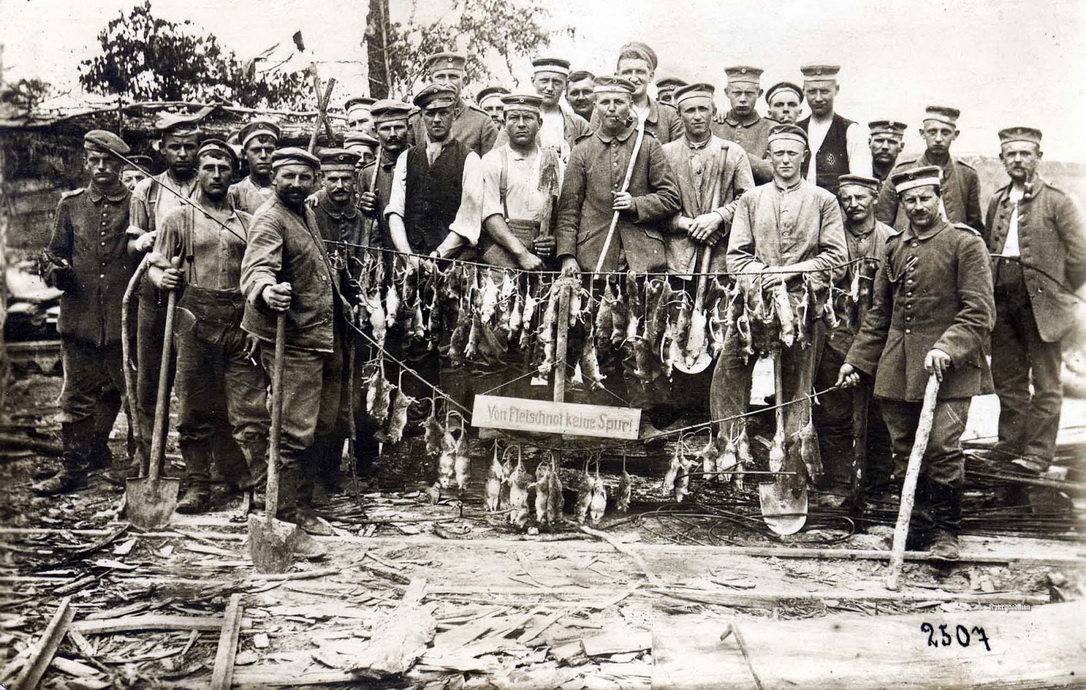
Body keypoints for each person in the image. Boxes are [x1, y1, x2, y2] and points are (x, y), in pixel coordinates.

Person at [839, 166, 995, 560]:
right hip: (898, 368)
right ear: (902, 203)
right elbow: (880, 314)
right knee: (905, 450)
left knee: (942, 448)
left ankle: (945, 533)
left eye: (926, 197)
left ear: (939, 198)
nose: (918, 206)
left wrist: (947, 348)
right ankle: (917, 526)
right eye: (910, 200)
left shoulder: (964, 243)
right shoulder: (894, 247)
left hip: (950, 369)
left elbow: (979, 312)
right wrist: (856, 361)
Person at [710, 124, 847, 480]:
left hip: (802, 305)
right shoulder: (751, 200)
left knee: (798, 382)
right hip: (754, 304)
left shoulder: (823, 201)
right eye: (779, 153)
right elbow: (736, 258)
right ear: (769, 157)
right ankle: (731, 452)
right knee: (729, 371)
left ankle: (792, 464)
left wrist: (788, 273)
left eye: (792, 153)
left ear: (804, 157)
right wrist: (763, 275)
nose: (785, 160)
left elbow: (836, 258)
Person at [147, 140, 268, 514]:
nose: (216, 175)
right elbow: (156, 265)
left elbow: (259, 274)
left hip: (240, 322)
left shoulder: (248, 223)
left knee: (250, 408)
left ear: (233, 174)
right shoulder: (178, 219)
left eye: (223, 169)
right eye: (208, 168)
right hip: (193, 322)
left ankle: (258, 484)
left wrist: (255, 324)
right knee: (194, 406)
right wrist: (162, 278)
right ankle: (199, 485)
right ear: (198, 173)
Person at [241, 147, 348, 539]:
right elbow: (256, 269)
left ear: (314, 181)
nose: (296, 184)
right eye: (288, 176)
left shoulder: (304, 213)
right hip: (295, 339)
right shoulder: (269, 218)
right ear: (274, 177)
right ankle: (285, 516)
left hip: (322, 334)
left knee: (320, 424)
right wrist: (267, 291)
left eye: (304, 177)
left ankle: (302, 504)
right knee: (292, 431)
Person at [37, 130, 137, 495]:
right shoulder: (71, 205)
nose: (102, 168)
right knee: (76, 398)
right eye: (95, 161)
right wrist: (56, 271)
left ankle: (139, 467)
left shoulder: (138, 204)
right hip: (80, 321)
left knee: (135, 398)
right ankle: (74, 470)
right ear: (85, 162)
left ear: (121, 165)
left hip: (126, 323)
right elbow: (52, 255)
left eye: (109, 161)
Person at [983, 127, 1086, 474]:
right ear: (1002, 159)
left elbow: (1080, 256)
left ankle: (1039, 453)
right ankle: (1009, 446)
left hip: (1042, 304)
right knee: (1008, 379)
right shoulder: (997, 201)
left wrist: (1057, 291)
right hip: (1003, 299)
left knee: (1046, 382)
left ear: (1038, 157)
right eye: (1010, 154)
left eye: (1025, 154)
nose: (1018, 160)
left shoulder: (1058, 201)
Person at [812, 174, 894, 504]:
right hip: (836, 337)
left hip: (877, 341)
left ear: (874, 198)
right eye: (846, 198)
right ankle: (839, 483)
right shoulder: (831, 237)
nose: (853, 204)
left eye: (860, 197)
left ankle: (877, 486)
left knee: (879, 414)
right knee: (834, 412)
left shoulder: (890, 239)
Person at [556, 74, 680, 275]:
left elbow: (671, 198)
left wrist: (636, 204)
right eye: (605, 102)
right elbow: (568, 210)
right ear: (595, 106)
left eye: (619, 102)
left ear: (630, 105)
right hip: (594, 256)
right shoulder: (582, 150)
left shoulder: (648, 144)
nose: (612, 108)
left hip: (644, 258)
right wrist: (567, 256)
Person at [662, 83, 754, 275]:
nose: (697, 116)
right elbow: (654, 205)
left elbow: (749, 202)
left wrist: (718, 217)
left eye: (703, 109)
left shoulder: (733, 152)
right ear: (679, 115)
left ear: (714, 112)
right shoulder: (665, 154)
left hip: (721, 260)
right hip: (676, 262)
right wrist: (686, 224)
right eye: (690, 110)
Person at [386, 83, 483, 261]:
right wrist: (408, 256)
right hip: (410, 260)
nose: (437, 119)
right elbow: (395, 211)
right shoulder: (406, 158)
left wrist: (438, 255)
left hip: (453, 261)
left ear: (454, 114)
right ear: (421, 115)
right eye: (430, 113)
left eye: (443, 113)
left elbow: (468, 219)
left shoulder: (470, 159)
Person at [479, 93, 562, 271]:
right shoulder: (492, 160)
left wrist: (554, 238)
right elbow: (489, 215)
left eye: (528, 118)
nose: (521, 124)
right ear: (504, 124)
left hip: (543, 253)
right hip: (503, 251)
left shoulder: (553, 161)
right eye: (514, 118)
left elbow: (564, 211)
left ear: (539, 124)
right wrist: (522, 254)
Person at [876, 106, 983, 233]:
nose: (938, 139)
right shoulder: (901, 172)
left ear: (955, 135)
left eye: (945, 132)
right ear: (922, 133)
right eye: (932, 132)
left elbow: (974, 226)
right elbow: (882, 223)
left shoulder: (967, 175)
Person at [797, 64, 872, 194]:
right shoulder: (797, 130)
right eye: (812, 92)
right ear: (804, 91)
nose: (818, 98)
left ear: (836, 90)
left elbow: (861, 184)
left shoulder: (852, 131)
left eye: (824, 91)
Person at [591, 42, 683, 144]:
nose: (634, 79)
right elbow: (594, 149)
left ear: (651, 76)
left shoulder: (669, 115)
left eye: (640, 72)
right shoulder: (602, 111)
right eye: (627, 72)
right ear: (617, 76)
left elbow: (677, 151)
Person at [410, 51, 499, 156]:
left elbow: (493, 163)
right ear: (431, 80)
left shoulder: (482, 122)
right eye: (440, 77)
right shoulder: (415, 121)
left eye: (453, 76)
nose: (447, 82)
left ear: (464, 81)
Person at [358, 99, 413, 250]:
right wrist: (362, 207)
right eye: (386, 128)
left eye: (399, 127)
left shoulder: (422, 163)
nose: (393, 134)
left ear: (409, 129)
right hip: (384, 251)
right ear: (375, 132)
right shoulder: (368, 174)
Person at [712, 66, 776, 184]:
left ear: (759, 93)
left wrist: (736, 153)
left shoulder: (772, 128)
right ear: (727, 93)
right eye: (737, 93)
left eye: (749, 93)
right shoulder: (714, 125)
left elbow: (772, 172)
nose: (742, 99)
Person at [529, 57, 592, 152]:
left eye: (556, 82)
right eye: (544, 81)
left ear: (566, 85)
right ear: (533, 81)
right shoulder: (518, 120)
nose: (550, 88)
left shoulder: (579, 125)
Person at [227, 119, 280, 214]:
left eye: (269, 150)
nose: (263, 156)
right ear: (244, 154)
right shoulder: (234, 193)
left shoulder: (287, 190)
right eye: (256, 150)